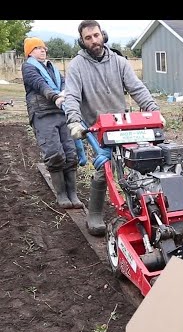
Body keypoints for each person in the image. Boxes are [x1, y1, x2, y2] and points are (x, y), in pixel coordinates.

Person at [64, 20, 164, 236]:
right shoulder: (77, 66)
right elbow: (71, 96)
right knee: (104, 170)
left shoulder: (119, 61)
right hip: (96, 129)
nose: (94, 41)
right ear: (82, 42)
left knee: (139, 164)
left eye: (96, 35)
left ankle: (144, 210)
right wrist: (73, 120)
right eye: (88, 38)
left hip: (122, 125)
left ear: (104, 35)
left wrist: (154, 111)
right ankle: (95, 214)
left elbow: (137, 88)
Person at [22, 37, 84, 210]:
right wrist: (55, 96)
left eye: (43, 48)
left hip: (61, 112)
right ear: (30, 52)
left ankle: (73, 193)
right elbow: (40, 85)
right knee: (55, 153)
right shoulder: (28, 67)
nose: (42, 50)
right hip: (42, 114)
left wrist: (65, 92)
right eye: (37, 48)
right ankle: (61, 194)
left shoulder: (52, 67)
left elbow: (63, 82)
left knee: (70, 154)